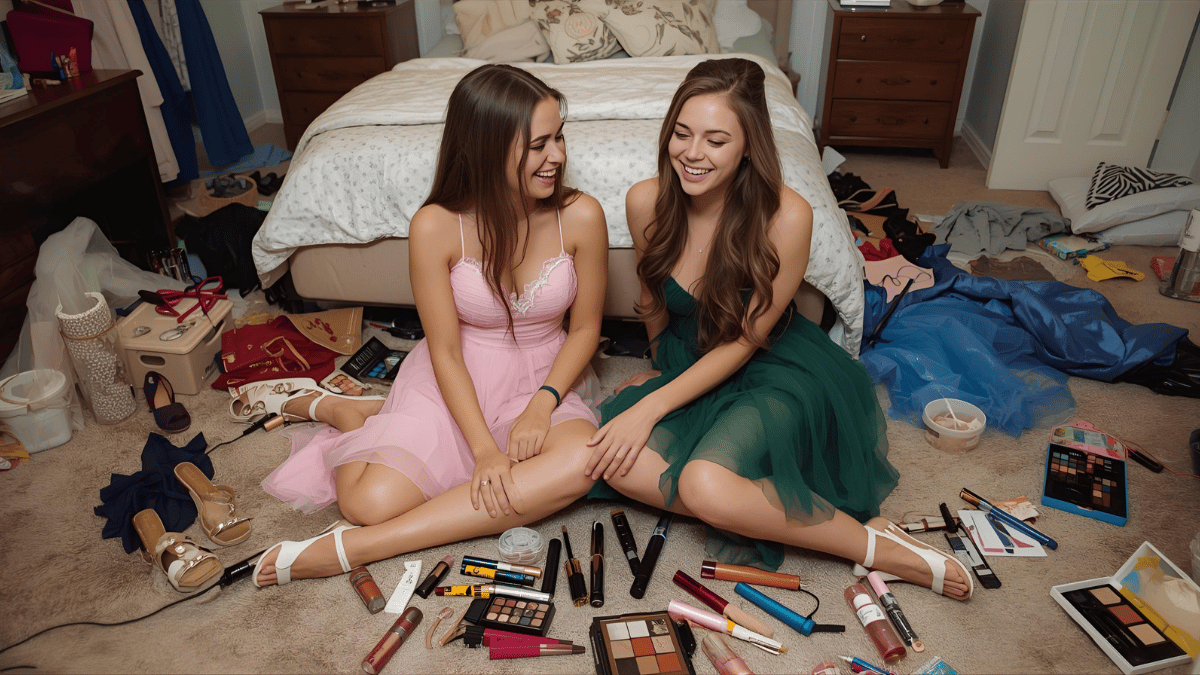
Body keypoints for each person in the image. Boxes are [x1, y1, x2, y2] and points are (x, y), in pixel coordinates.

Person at [585, 58, 971, 600]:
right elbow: (652, 299)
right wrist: (653, 367)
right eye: (682, 133)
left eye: (716, 140)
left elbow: (745, 340)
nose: (692, 154)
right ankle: (767, 507)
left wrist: (651, 407)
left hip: (771, 364)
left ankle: (870, 546)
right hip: (685, 359)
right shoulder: (645, 199)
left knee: (702, 482)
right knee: (613, 461)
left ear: (749, 146)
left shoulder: (788, 215)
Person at [243, 64, 608, 586]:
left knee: (578, 465)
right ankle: (352, 417)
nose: (557, 156)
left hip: (547, 379)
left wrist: (542, 404)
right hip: (458, 376)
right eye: (538, 144)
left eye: (560, 137)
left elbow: (585, 331)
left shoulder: (582, 215)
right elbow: (446, 352)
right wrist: (485, 452)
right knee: (368, 502)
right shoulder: (436, 225)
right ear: (487, 146)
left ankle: (356, 548)